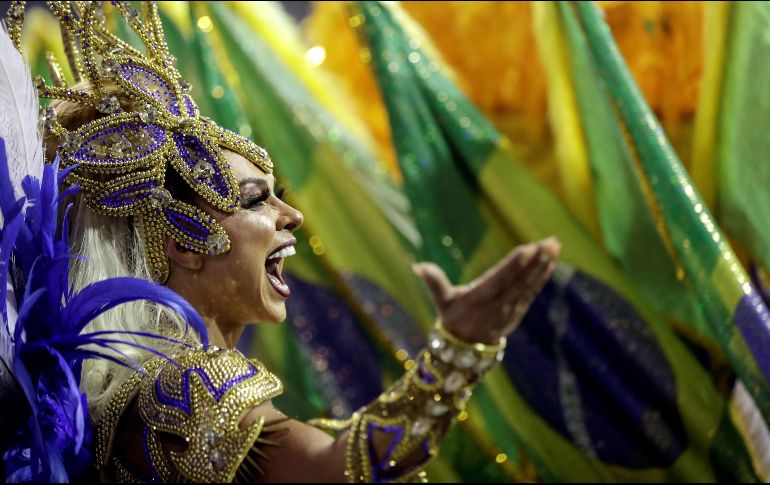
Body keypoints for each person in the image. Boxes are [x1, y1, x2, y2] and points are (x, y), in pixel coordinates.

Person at [2, 1, 560, 482]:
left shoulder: (123, 402)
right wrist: (459, 350)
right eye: (253, 199)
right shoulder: (191, 384)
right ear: (183, 244)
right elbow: (340, 469)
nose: (290, 215)